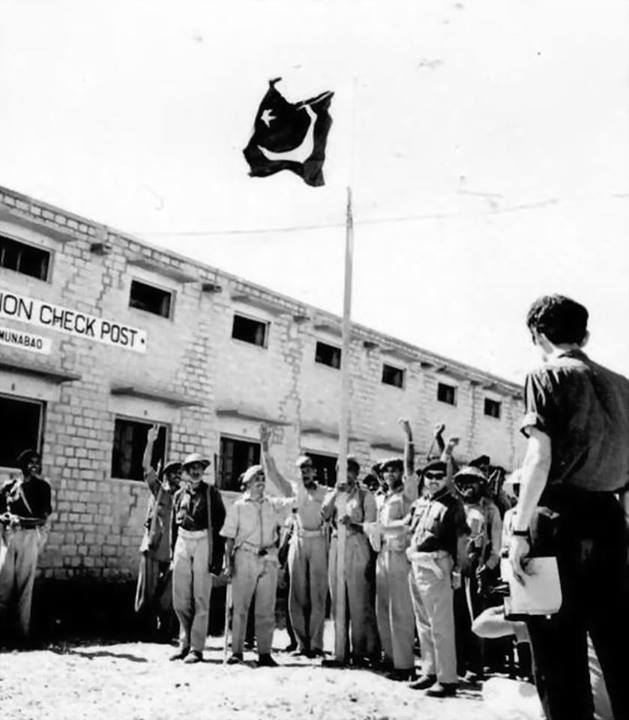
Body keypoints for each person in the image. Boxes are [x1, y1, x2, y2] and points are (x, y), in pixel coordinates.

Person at [508, 294, 629, 720]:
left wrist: (519, 533)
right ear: (585, 334)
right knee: (616, 644)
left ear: (537, 334)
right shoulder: (622, 385)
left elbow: (538, 458)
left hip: (557, 521)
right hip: (612, 519)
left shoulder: (544, 375)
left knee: (557, 652)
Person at [261, 427, 329, 658]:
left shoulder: (325, 491)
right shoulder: (292, 488)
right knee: (297, 593)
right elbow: (272, 472)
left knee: (318, 593)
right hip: (298, 541)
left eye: (309, 469)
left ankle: (317, 644)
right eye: (302, 469)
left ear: (315, 471)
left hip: (319, 541)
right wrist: (264, 445)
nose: (306, 473)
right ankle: (301, 644)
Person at [221, 462, 295, 667]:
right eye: (256, 480)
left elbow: (293, 502)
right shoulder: (238, 506)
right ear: (246, 483)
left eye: (263, 479)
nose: (261, 483)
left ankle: (264, 653)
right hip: (245, 556)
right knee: (240, 607)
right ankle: (236, 651)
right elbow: (228, 537)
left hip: (268, 558)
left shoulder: (272, 504)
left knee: (266, 609)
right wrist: (228, 564)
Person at [407, 458, 470, 697]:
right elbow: (408, 527)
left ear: (446, 479)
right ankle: (429, 671)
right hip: (418, 563)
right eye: (429, 476)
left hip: (438, 564)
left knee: (441, 624)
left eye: (439, 477)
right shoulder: (422, 503)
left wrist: (457, 571)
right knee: (423, 623)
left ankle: (447, 679)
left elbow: (462, 540)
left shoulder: (453, 505)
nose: (433, 481)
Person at [321, 456, 379, 667]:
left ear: (356, 473)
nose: (346, 475)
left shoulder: (366, 496)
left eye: (350, 470)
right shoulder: (333, 494)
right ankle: (340, 651)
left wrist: (353, 523)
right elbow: (324, 515)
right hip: (337, 545)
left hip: (357, 545)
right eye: (342, 470)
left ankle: (360, 652)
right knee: (338, 600)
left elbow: (372, 526)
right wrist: (337, 492)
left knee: (358, 601)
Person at [372, 419, 418, 681]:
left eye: (394, 470)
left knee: (401, 610)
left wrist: (409, 437)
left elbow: (411, 466)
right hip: (382, 556)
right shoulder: (382, 497)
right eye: (386, 471)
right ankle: (391, 660)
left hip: (400, 555)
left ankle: (405, 664)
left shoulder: (407, 493)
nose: (390, 474)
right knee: (384, 609)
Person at [170, 453, 226, 664]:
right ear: (185, 472)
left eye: (199, 468)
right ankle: (183, 643)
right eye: (191, 468)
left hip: (203, 541)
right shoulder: (178, 495)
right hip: (183, 542)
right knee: (180, 596)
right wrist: (171, 553)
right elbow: (174, 528)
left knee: (200, 596)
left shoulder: (212, 494)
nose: (195, 472)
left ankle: (197, 647)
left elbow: (220, 527)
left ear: (203, 471)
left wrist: (217, 558)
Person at [453, 464, 502, 681]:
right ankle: (457, 662)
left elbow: (497, 546)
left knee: (476, 617)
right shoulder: (455, 507)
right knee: (456, 616)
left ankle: (476, 665)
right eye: (463, 483)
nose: (468, 487)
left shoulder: (490, 510)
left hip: (477, 569)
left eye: (473, 482)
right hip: (454, 568)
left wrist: (488, 566)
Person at [0, 449, 52, 645]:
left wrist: (21, 520)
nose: (35, 465)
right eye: (31, 462)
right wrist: (6, 518)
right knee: (3, 584)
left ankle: (22, 633)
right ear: (22, 465)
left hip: (29, 536)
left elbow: (43, 517)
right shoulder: (9, 487)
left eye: (37, 462)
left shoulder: (43, 488)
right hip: (9, 537)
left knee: (25, 585)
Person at [134, 425, 181, 640]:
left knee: (168, 594)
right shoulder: (159, 490)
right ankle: (146, 630)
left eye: (181, 474)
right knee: (148, 592)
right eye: (175, 474)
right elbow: (145, 466)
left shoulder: (183, 498)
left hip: (173, 551)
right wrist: (150, 442)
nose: (178, 477)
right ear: (167, 475)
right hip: (154, 547)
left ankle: (166, 630)